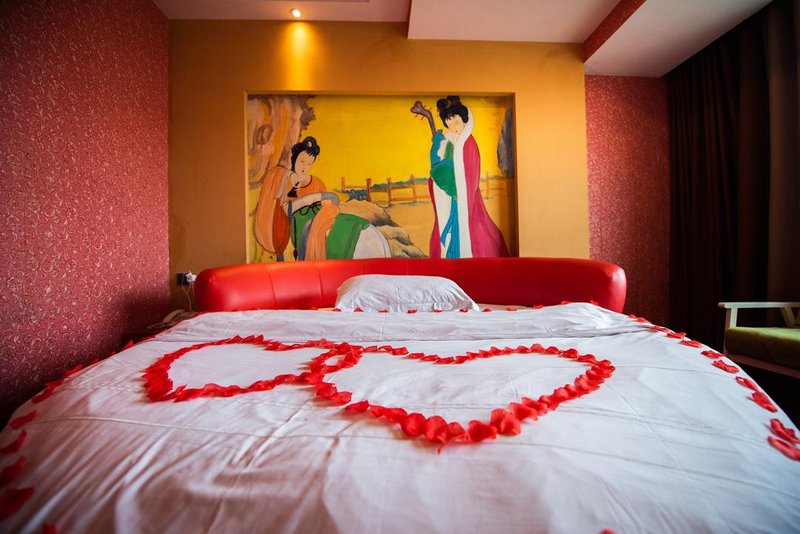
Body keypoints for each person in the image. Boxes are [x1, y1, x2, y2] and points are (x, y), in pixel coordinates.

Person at [254, 136, 389, 261]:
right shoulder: (284, 180)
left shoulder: (317, 183)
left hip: (321, 217)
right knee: (308, 228)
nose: (304, 166)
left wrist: (327, 202)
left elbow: (327, 202)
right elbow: (283, 208)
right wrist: (312, 198)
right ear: (294, 159)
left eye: (309, 163)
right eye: (302, 161)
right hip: (296, 224)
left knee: (338, 221)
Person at [427, 96, 509, 258]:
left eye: (455, 121)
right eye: (448, 122)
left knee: (474, 233)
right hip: (452, 196)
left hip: (465, 198)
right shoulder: (449, 142)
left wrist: (458, 192)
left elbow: (471, 175)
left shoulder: (468, 143)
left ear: (463, 119)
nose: (453, 126)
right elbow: (441, 165)